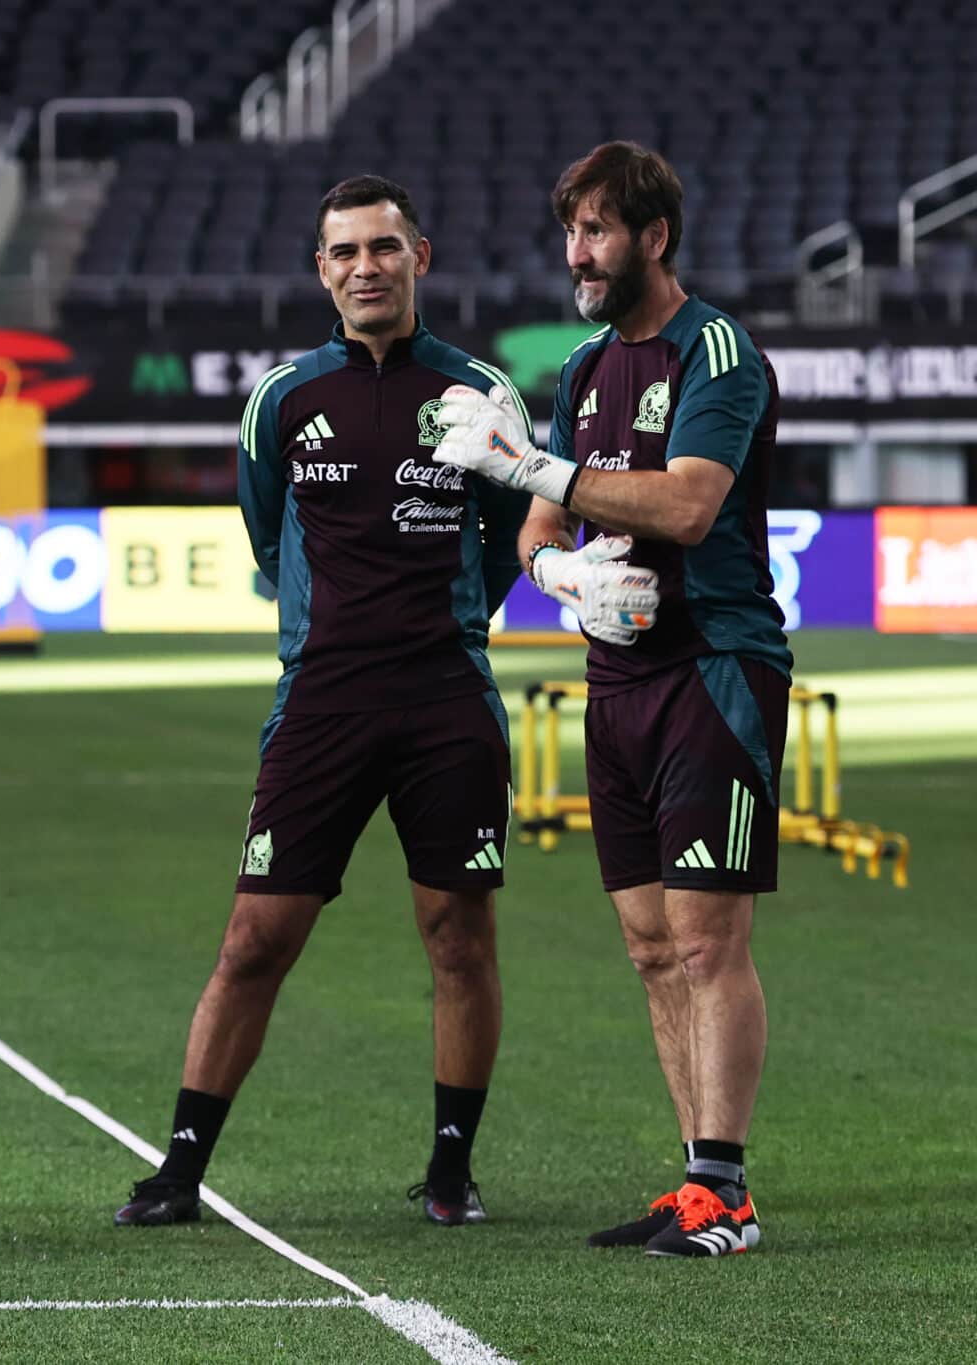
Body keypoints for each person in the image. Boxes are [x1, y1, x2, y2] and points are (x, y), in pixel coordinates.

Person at [115, 176, 617, 1231]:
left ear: (418, 257)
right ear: (320, 271)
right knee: (254, 937)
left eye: (382, 248)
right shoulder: (281, 398)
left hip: (446, 702)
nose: (363, 268)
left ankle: (449, 1170)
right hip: (320, 707)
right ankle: (179, 1169)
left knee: (456, 935)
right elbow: (267, 537)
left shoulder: (479, 392)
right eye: (342, 252)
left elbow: (511, 526)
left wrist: (451, 623)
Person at [432, 141, 788, 1257]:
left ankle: (724, 1194)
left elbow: (684, 508)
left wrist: (530, 472)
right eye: (569, 232)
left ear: (652, 237)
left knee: (702, 943)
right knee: (645, 947)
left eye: (595, 231)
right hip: (615, 680)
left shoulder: (715, 353)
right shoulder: (585, 367)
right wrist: (560, 575)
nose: (576, 252)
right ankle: (693, 1186)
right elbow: (543, 529)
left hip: (713, 670)